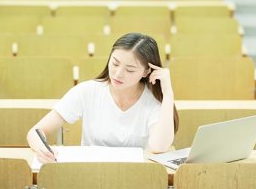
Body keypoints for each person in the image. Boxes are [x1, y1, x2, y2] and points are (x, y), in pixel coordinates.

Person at [27, 32, 179, 163]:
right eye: (115, 63)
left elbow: (159, 147)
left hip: (134, 178)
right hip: (91, 177)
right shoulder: (87, 91)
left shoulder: (153, 102)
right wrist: (42, 150)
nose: (118, 74)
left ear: (146, 72)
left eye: (130, 70)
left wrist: (168, 94)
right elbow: (35, 131)